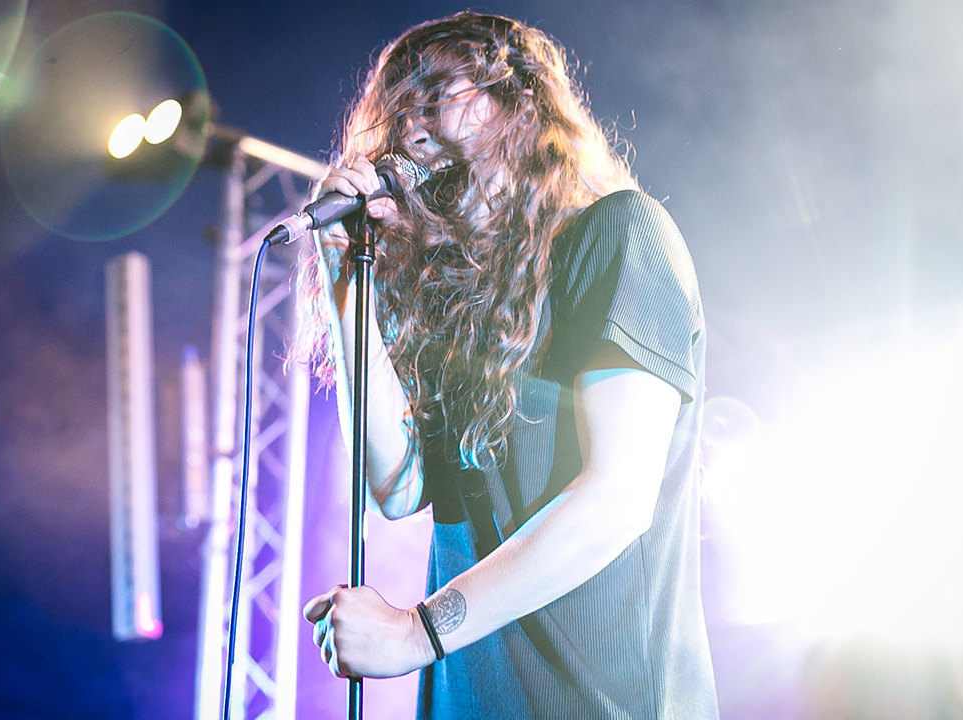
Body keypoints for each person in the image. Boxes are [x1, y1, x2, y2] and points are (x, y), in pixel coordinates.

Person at [295, 11, 717, 719]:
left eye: (437, 88)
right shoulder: (458, 302)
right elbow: (394, 489)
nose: (411, 118)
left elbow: (616, 499)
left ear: (518, 102)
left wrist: (414, 632)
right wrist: (348, 285)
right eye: (398, 103)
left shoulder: (618, 233)